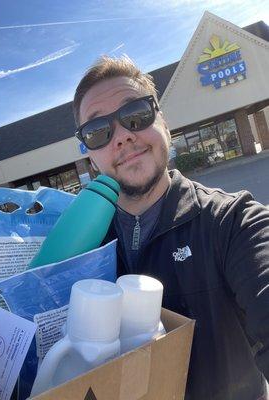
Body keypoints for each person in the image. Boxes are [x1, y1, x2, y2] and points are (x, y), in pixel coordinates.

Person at [73, 55, 269, 400]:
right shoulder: (79, 251)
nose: (121, 137)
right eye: (98, 131)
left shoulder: (232, 221)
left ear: (163, 121)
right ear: (91, 156)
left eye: (135, 114)